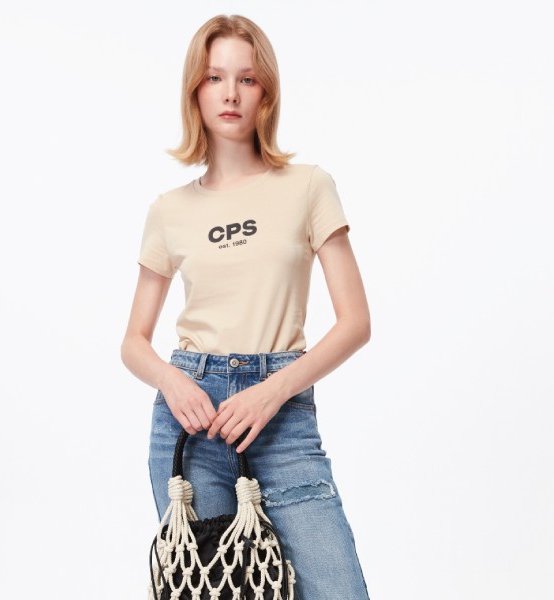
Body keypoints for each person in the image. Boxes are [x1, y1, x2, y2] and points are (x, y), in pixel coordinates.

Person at [121, 14, 372, 600]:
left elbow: (356, 322)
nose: (230, 93)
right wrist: (173, 382)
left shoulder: (308, 186)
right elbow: (133, 341)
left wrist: (272, 390)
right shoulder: (169, 210)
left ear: (267, 92)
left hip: (283, 421)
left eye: (247, 78)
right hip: (194, 421)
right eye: (214, 77)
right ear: (196, 91)